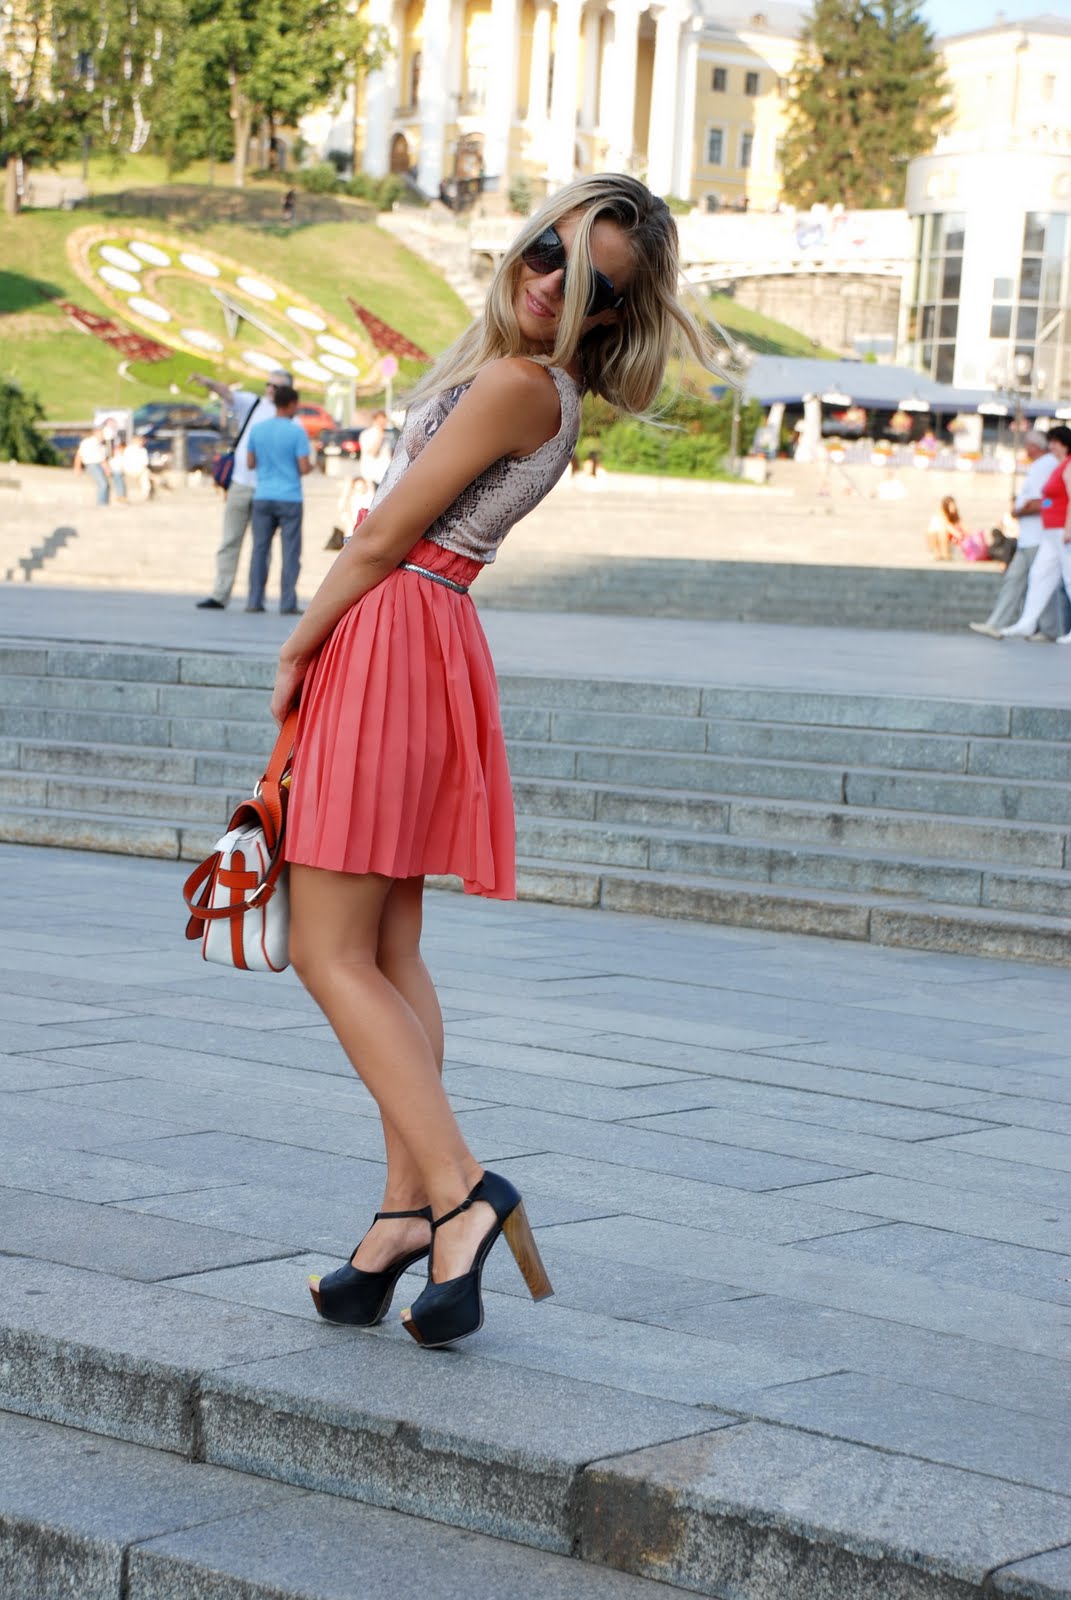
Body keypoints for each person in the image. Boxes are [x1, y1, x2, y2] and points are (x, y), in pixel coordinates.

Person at [270, 173, 709, 1350]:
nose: (553, 280)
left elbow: (384, 530)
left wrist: (298, 647)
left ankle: (462, 1190)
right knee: (386, 948)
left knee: (324, 947)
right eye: (550, 249)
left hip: (394, 628)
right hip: (425, 635)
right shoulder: (533, 384)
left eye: (592, 281)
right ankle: (403, 1215)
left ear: (612, 314)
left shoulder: (521, 385)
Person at [193, 369, 288, 610]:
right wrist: (208, 382)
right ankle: (220, 593)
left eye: (276, 387)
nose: (270, 390)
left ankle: (256, 598)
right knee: (230, 540)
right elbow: (228, 394)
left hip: (267, 489)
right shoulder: (255, 404)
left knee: (261, 547)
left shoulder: (288, 416)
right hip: (241, 483)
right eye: (268, 384)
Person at [969, 430, 1062, 639]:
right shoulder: (1042, 465)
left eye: (1027, 444)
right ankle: (999, 624)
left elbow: (1043, 501)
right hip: (1029, 537)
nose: (1025, 449)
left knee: (1040, 580)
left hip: (1038, 536)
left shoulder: (1045, 465)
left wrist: (1018, 511)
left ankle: (1048, 629)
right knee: (1022, 579)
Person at [245, 384, 311, 614]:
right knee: (290, 551)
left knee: (260, 550)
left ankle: (255, 600)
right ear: (291, 404)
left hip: (263, 495)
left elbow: (250, 463)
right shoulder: (296, 432)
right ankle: (287, 602)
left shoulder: (257, 430)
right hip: (290, 497)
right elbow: (303, 467)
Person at [1001, 424, 1071, 642]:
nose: (1051, 446)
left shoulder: (1069, 466)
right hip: (1050, 531)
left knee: (1069, 577)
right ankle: (1027, 622)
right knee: (1040, 574)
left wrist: (1069, 528)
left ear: (1063, 444)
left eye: (1054, 442)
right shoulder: (1058, 467)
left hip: (1062, 529)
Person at [358, 409, 393, 492]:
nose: (383, 424)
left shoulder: (387, 435)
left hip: (385, 475)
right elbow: (372, 453)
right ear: (375, 421)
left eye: (385, 422)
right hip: (372, 476)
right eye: (381, 422)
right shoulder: (367, 434)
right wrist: (380, 437)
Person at [73, 428, 111, 505]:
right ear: (96, 433)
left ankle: (104, 503)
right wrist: (77, 467)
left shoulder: (101, 445)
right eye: (102, 434)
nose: (103, 436)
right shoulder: (89, 442)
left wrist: (107, 468)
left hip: (98, 465)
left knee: (105, 484)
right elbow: (79, 454)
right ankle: (101, 503)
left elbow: (102, 459)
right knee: (103, 484)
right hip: (92, 465)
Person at [925, 495, 963, 561]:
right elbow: (947, 525)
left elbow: (961, 526)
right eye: (951, 506)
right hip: (939, 534)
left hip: (949, 535)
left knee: (942, 531)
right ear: (946, 506)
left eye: (953, 505)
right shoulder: (941, 514)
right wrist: (956, 533)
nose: (953, 507)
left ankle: (944, 553)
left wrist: (959, 534)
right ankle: (938, 553)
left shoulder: (955, 515)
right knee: (934, 531)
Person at [119, 433, 153, 503]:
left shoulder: (128, 448)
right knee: (146, 473)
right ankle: (146, 494)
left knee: (146, 473)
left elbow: (123, 461)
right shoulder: (142, 450)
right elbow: (145, 464)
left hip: (128, 470)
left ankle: (146, 493)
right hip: (134, 470)